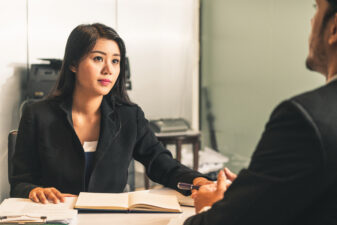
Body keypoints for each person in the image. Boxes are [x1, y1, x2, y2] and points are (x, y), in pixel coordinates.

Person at [9, 23, 211, 204]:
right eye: (98, 58)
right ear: (73, 64)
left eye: (115, 61)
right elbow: (20, 182)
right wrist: (34, 190)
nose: (108, 70)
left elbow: (162, 164)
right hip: (57, 216)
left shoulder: (129, 116)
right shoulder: (37, 114)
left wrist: (199, 181)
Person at [184, 0, 337, 224]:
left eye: (316, 9)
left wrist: (211, 206)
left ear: (334, 29)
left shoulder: (304, 119)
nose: (311, 21)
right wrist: (252, 190)